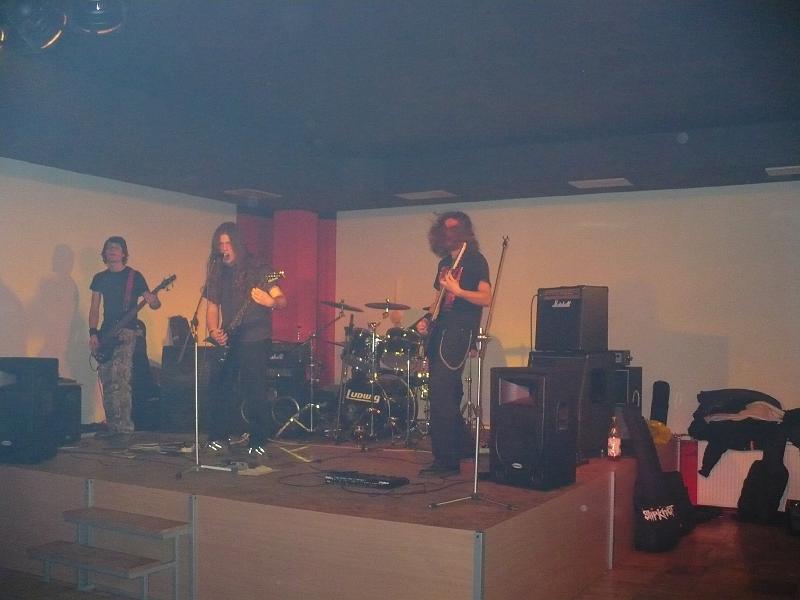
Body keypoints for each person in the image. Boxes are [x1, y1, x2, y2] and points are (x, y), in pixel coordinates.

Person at [416, 211, 491, 476]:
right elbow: (438, 300)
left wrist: (459, 291)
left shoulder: (474, 260)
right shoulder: (444, 264)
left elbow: (486, 298)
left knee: (441, 394)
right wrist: (427, 320)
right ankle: (463, 447)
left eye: (453, 229)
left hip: (458, 331)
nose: (448, 234)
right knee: (446, 392)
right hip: (441, 329)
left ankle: (446, 462)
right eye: (444, 230)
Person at [204, 222, 287, 456]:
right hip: (229, 337)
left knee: (254, 389)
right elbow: (212, 307)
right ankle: (218, 437)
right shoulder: (217, 271)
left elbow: (282, 300)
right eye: (220, 244)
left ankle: (258, 439)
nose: (224, 248)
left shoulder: (258, 268)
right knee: (221, 387)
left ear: (238, 244)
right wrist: (213, 330)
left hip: (255, 337)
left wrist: (271, 302)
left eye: (228, 243)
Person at [89, 236, 161, 440]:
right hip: (106, 333)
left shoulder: (134, 277)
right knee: (107, 379)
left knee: (120, 379)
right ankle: (113, 426)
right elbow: (94, 308)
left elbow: (155, 305)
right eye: (109, 247)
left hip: (127, 332)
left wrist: (153, 300)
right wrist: (93, 333)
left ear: (123, 253)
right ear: (105, 253)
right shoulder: (99, 278)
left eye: (116, 247)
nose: (112, 250)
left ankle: (124, 429)